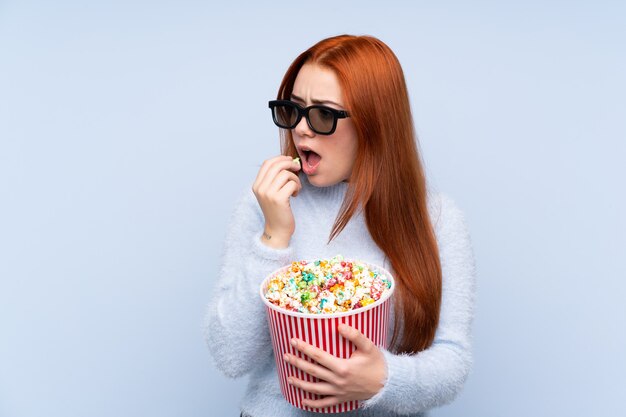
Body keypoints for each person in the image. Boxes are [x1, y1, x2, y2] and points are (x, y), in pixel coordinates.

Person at [203, 34, 476, 417]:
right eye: (293, 110)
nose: (300, 130)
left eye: (323, 115)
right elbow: (230, 356)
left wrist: (382, 379)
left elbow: (452, 361)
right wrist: (274, 238)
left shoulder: (437, 221)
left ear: (375, 124)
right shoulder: (266, 204)